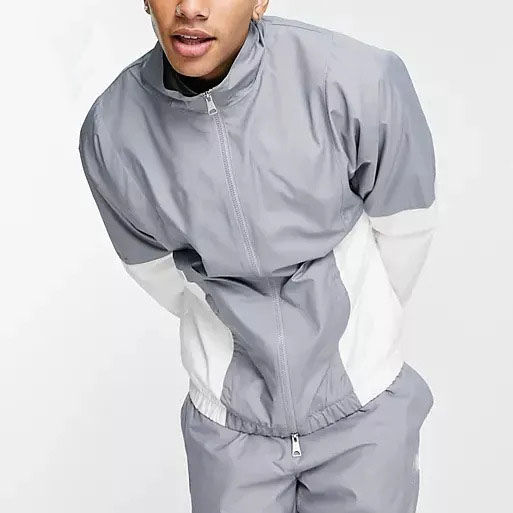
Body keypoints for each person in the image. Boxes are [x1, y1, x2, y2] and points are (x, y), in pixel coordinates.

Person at [78, 1, 438, 512]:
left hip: (364, 410)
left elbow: (406, 227)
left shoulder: (354, 80)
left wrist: (361, 343)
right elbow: (155, 271)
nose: (190, 8)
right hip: (228, 429)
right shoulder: (112, 131)